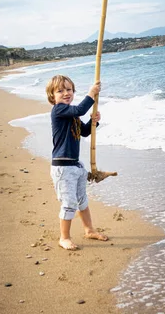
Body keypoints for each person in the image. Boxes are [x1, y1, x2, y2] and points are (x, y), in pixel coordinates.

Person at [46, 74, 109, 250]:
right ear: (53, 96)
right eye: (60, 91)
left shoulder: (72, 114)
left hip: (75, 165)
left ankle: (89, 230)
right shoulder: (59, 110)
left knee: (82, 200)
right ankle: (64, 237)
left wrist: (94, 122)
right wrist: (91, 94)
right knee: (69, 203)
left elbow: (85, 132)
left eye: (69, 89)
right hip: (63, 168)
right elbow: (80, 109)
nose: (66, 93)